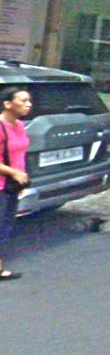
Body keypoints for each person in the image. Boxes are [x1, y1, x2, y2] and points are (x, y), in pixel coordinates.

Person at [0, 86, 31, 281]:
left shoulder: (19, 125)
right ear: (8, 104)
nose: (28, 104)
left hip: (12, 185)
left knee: (5, 226)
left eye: (29, 101)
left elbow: (20, 154)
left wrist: (21, 180)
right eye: (23, 101)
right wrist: (14, 173)